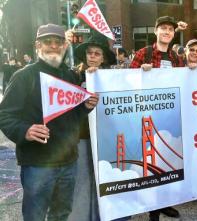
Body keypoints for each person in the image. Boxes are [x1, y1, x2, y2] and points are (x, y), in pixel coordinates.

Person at [0, 23, 99, 221]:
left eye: (58, 42)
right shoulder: (23, 77)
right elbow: (4, 115)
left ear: (64, 46)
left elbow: (73, 116)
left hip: (69, 161)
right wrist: (25, 130)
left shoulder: (71, 75)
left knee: (61, 214)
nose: (53, 46)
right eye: (47, 42)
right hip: (38, 163)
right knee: (35, 216)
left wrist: (86, 106)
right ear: (38, 45)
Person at [130, 15, 186, 221]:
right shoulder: (143, 54)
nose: (166, 32)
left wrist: (192, 71)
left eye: (170, 30)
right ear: (156, 31)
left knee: (168, 161)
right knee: (150, 162)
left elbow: (182, 83)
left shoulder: (176, 58)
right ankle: (153, 208)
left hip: (169, 117)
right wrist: (140, 74)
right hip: (147, 115)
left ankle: (163, 203)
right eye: (162, 28)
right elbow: (126, 83)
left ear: (173, 34)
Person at [69, 32, 117, 221]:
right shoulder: (74, 75)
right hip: (82, 136)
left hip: (105, 136)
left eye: (98, 54)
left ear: (103, 58)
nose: (93, 57)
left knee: (104, 180)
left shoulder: (112, 78)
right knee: (82, 180)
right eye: (90, 53)